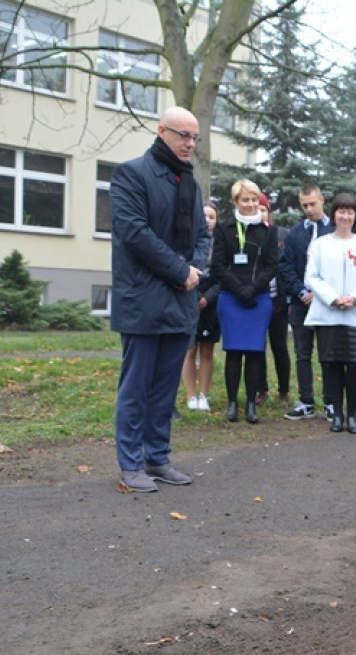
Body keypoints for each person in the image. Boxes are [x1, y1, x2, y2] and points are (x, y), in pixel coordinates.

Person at [110, 106, 207, 493]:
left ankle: (157, 458)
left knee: (165, 389)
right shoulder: (132, 174)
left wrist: (194, 270)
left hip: (180, 301)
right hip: (143, 301)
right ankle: (131, 464)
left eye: (195, 137)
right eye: (184, 135)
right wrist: (181, 272)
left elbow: (203, 236)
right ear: (162, 131)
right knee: (136, 388)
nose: (190, 143)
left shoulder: (190, 182)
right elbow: (136, 234)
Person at [304, 193, 356, 435]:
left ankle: (351, 414)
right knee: (331, 365)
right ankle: (336, 413)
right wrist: (333, 298)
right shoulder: (320, 244)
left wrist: (355, 298)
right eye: (341, 211)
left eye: (350, 212)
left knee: (354, 364)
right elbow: (312, 277)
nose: (345, 216)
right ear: (334, 214)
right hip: (328, 314)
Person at [210, 179, 277, 425]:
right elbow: (217, 265)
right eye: (245, 200)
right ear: (236, 202)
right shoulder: (225, 229)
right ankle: (231, 404)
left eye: (253, 200)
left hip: (258, 299)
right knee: (234, 352)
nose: (250, 205)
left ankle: (250, 404)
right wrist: (239, 289)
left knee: (255, 352)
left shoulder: (268, 231)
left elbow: (272, 266)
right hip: (231, 298)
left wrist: (253, 289)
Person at [278, 183, 335, 420]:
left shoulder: (334, 230)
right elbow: (285, 265)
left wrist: (322, 293)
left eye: (313, 204)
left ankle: (331, 402)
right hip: (301, 303)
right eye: (304, 205)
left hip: (327, 303)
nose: (309, 209)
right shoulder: (295, 232)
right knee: (302, 353)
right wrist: (301, 291)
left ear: (322, 200)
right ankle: (306, 401)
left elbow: (338, 268)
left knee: (327, 354)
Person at [181, 201, 220, 413]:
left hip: (211, 305)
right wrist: (195, 297)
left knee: (207, 351)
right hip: (189, 301)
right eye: (203, 215)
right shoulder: (188, 242)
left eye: (212, 216)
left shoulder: (221, 244)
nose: (207, 220)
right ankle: (190, 395)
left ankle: (204, 395)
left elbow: (222, 276)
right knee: (189, 351)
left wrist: (208, 298)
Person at [255, 192, 291, 407]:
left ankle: (284, 390)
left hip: (278, 299)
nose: (260, 214)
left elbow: (287, 266)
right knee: (258, 347)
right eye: (256, 209)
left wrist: (285, 300)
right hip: (258, 299)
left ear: (269, 212)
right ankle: (261, 389)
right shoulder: (249, 235)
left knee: (279, 346)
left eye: (263, 210)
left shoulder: (282, 235)